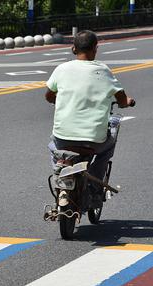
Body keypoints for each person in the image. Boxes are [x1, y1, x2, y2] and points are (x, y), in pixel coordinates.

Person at [45, 30, 135, 197]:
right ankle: (94, 186)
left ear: (73, 49)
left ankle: (59, 172)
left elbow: (49, 96)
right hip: (94, 140)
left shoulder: (61, 69)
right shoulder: (103, 70)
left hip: (63, 137)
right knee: (107, 147)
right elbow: (122, 99)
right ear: (95, 49)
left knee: (53, 146)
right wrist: (127, 102)